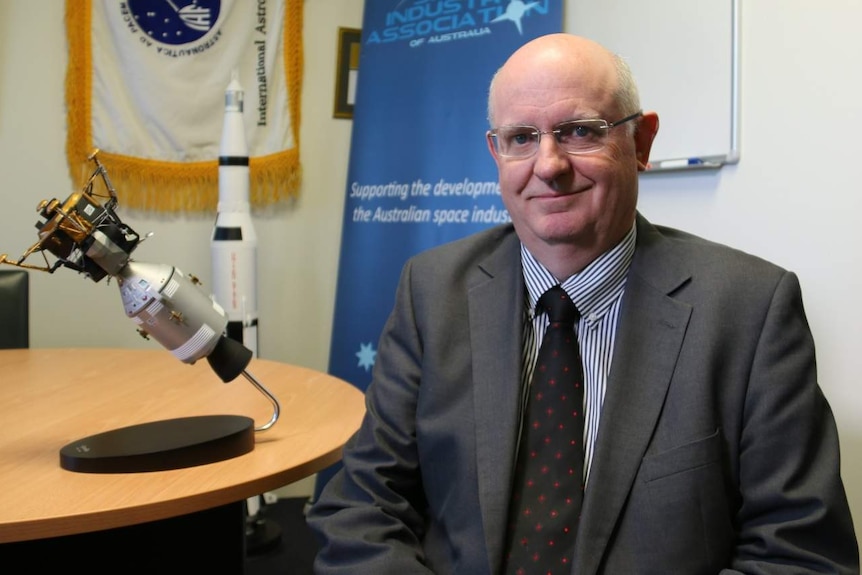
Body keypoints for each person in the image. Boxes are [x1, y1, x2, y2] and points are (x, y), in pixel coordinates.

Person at [307, 33, 859, 574]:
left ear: (641, 143)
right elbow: (361, 507)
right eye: (521, 137)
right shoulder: (431, 292)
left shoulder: (750, 311)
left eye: (578, 131)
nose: (548, 164)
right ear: (496, 153)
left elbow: (801, 556)